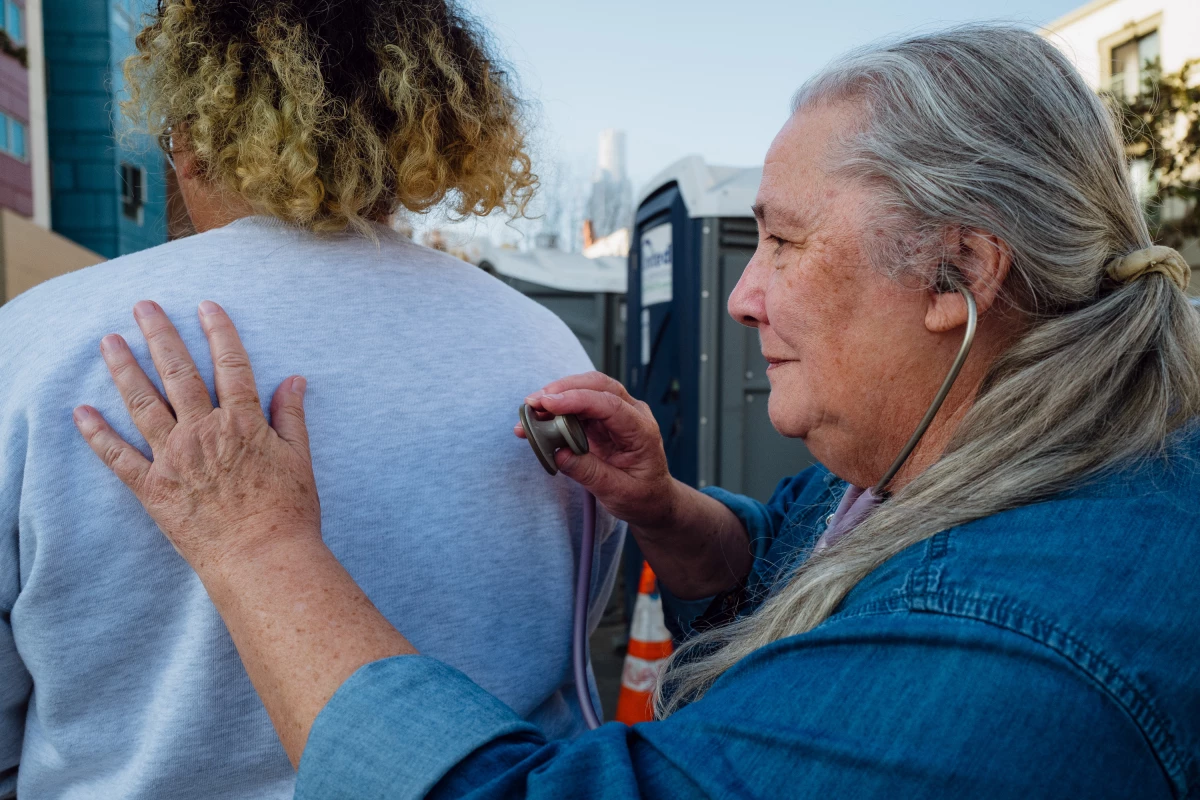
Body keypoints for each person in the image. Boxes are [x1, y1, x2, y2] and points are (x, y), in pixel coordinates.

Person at [75, 24, 1200, 799]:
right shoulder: (1047, 445)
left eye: (784, 241)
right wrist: (667, 512)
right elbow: (816, 542)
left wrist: (257, 545)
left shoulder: (1008, 640)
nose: (744, 296)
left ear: (959, 275)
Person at [0, 2, 623, 798]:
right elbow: (576, 617)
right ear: (424, 127)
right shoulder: (540, 344)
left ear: (187, 136)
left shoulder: (39, 346)